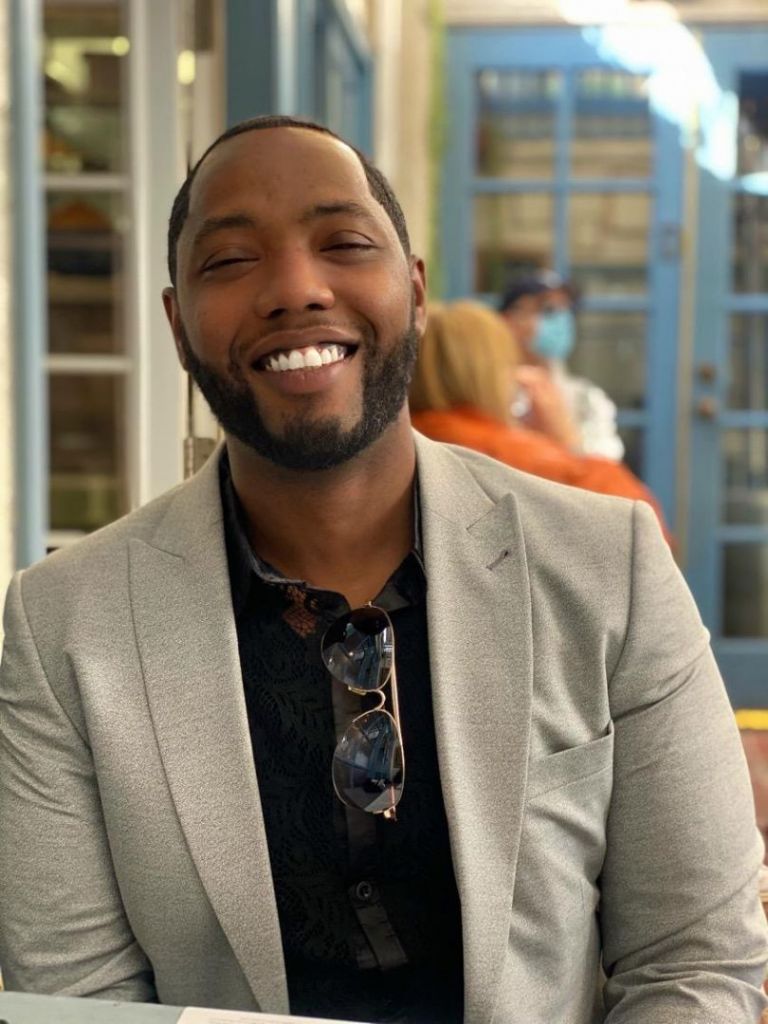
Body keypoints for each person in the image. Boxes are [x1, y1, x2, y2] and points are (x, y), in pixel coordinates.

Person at [0, 115, 766, 1024]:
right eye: (231, 260)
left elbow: (695, 960)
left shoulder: (609, 566)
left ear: (415, 290)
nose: (296, 288)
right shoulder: (63, 627)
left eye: (344, 243)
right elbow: (77, 998)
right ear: (177, 325)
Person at [409, 300, 669, 533]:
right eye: (508, 363)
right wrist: (567, 442)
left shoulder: (407, 443)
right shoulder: (510, 453)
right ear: (487, 373)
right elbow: (642, 529)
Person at [499, 271, 626, 461]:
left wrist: (566, 437)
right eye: (548, 309)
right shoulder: (489, 391)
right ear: (510, 319)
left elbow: (605, 464)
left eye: (567, 310)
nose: (561, 319)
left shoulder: (587, 397)